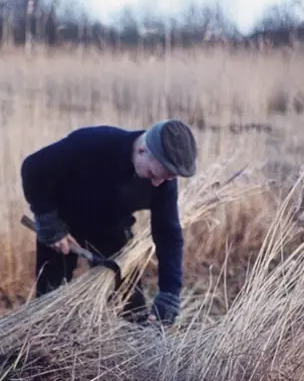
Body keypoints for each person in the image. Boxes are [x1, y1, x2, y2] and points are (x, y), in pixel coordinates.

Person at [20, 119, 198, 325]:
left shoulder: (164, 180)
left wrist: (170, 293)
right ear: (141, 150)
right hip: (62, 226)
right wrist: (47, 220)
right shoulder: (93, 143)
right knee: (50, 304)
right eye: (153, 174)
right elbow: (33, 167)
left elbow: (168, 234)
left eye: (166, 178)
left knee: (133, 311)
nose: (157, 183)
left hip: (112, 228)